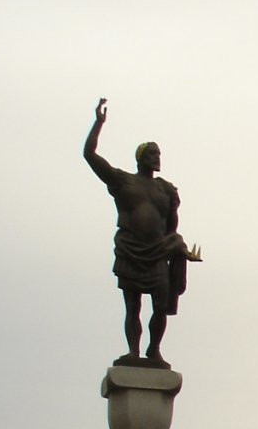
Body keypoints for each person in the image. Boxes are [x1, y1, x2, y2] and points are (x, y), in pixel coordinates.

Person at [83, 98, 202, 366]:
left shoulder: (166, 189)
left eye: (159, 154)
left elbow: (172, 226)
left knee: (160, 304)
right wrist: (98, 124)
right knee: (132, 306)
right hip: (131, 250)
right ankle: (134, 351)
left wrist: (179, 249)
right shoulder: (123, 180)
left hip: (158, 253)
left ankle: (154, 349)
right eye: (152, 154)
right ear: (141, 158)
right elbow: (89, 155)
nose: (157, 158)